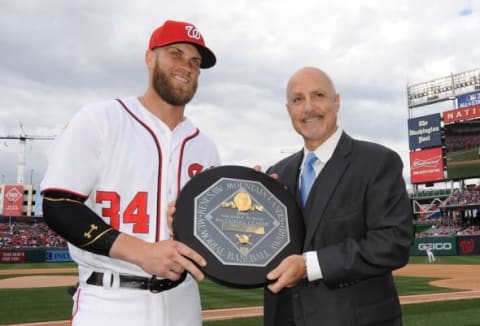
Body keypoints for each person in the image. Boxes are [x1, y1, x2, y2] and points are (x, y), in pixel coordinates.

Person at [40, 20, 220, 326]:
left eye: (195, 62)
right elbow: (58, 206)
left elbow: (215, 232)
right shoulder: (101, 120)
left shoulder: (205, 147)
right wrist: (142, 253)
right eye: (175, 54)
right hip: (110, 299)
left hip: (184, 301)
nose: (186, 66)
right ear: (150, 58)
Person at [263, 67, 413, 326]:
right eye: (298, 100)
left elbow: (393, 243)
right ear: (289, 110)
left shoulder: (377, 162)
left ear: (337, 101)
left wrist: (311, 265)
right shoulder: (277, 174)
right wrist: (246, 196)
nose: (308, 107)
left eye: (318, 95)